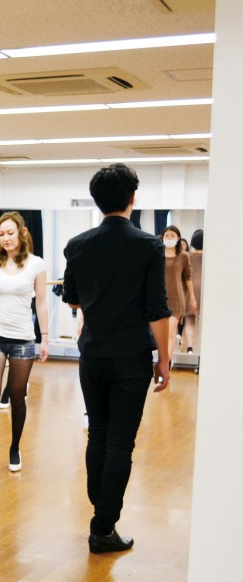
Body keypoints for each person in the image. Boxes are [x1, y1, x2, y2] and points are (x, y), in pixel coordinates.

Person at [62, 163, 171, 555]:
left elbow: (73, 300)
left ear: (97, 200)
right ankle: (103, 526)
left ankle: (101, 510)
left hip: (92, 354)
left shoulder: (77, 244)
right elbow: (157, 310)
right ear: (132, 198)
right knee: (121, 441)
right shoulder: (148, 245)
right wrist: (164, 360)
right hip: (130, 358)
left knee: (99, 434)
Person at [0, 212, 48, 478]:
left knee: (17, 396)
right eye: (1, 234)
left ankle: (15, 448)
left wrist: (44, 338)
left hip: (23, 340)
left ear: (22, 233)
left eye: (10, 233)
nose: (5, 238)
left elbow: (41, 303)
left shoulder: (36, 264)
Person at [160, 225, 196, 361]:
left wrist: (192, 298)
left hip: (176, 299)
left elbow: (187, 277)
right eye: (167, 236)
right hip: (159, 298)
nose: (169, 238)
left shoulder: (184, 256)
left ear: (178, 238)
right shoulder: (157, 254)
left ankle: (165, 363)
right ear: (162, 237)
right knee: (161, 333)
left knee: (171, 331)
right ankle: (163, 360)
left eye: (172, 236)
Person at [183, 230, 203, 354]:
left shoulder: (187, 255)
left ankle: (189, 348)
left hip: (189, 290)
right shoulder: (209, 256)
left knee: (189, 319)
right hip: (204, 289)